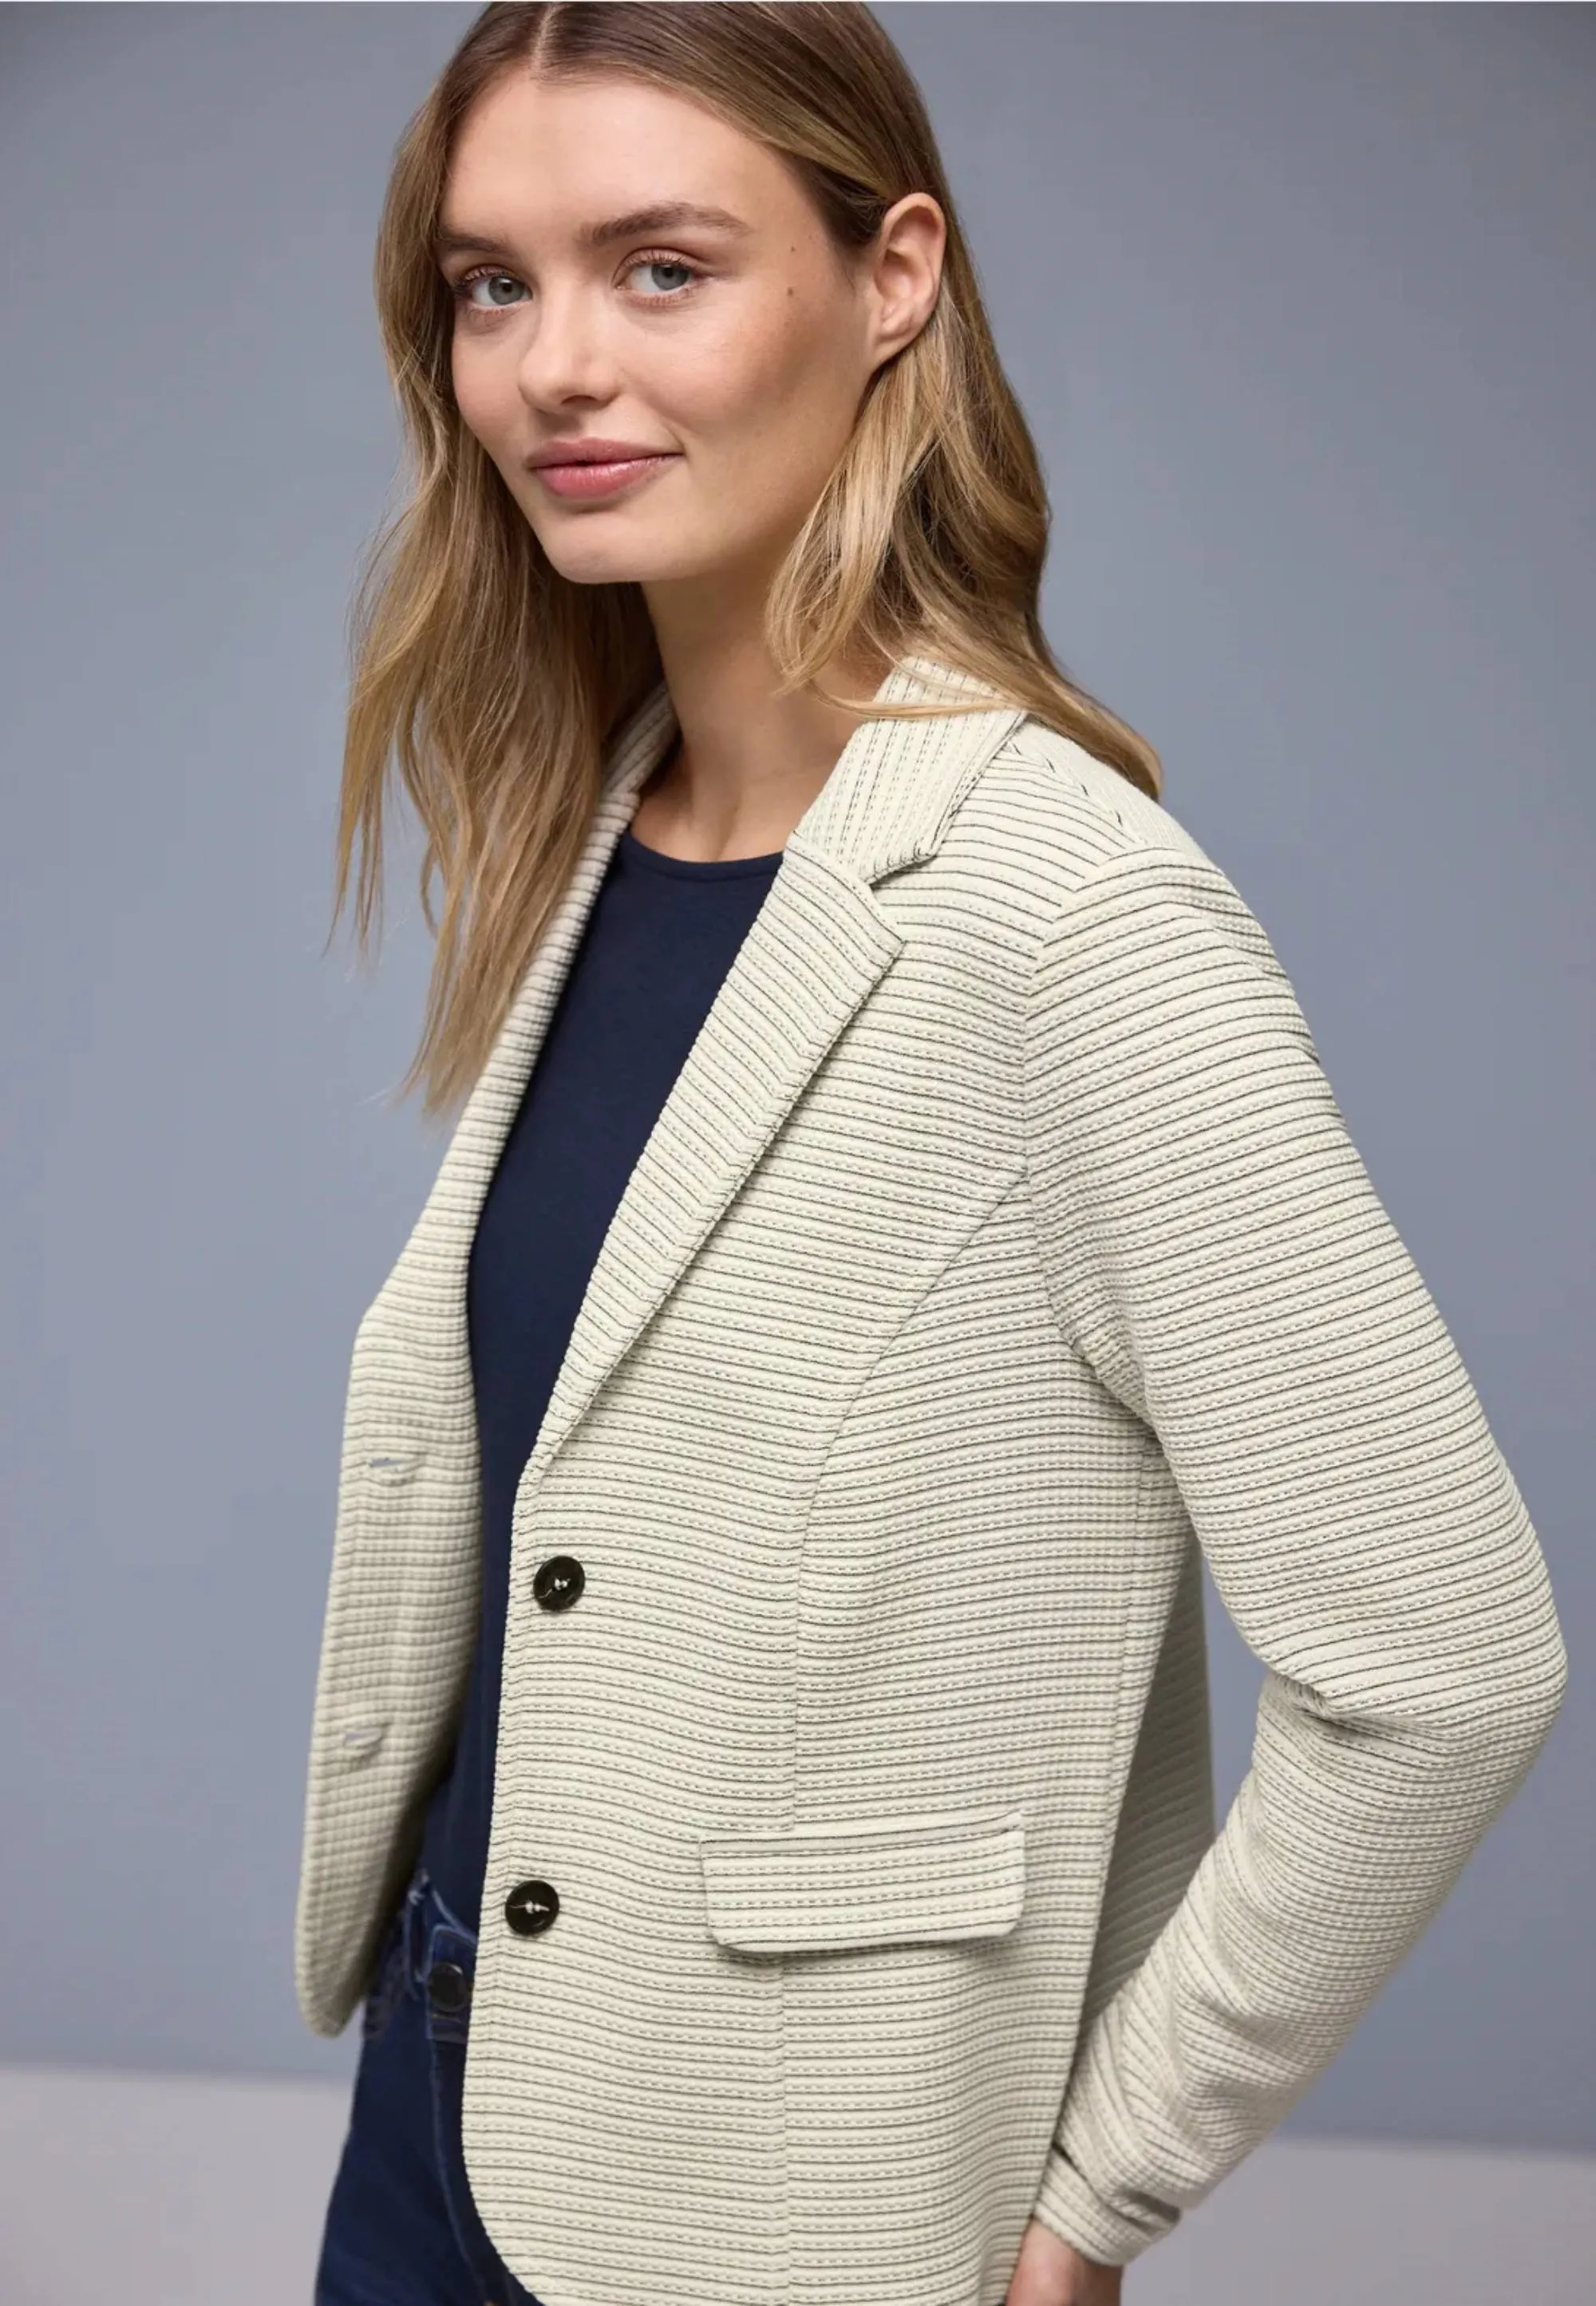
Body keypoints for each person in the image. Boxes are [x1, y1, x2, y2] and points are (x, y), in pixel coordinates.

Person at [296, 8, 1568, 2305]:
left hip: (799, 2203)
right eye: (492, 284)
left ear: (893, 278)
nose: (555, 365)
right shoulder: (603, 840)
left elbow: (1444, 1664)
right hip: (449, 2117)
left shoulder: (1065, 912)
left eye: (661, 267)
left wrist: (1100, 2197)